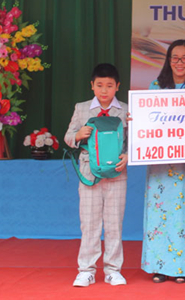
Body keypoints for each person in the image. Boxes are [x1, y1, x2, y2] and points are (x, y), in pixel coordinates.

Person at [140, 39, 185, 284]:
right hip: (159, 166)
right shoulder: (155, 88)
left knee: (184, 215)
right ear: (168, 60)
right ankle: (159, 266)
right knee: (159, 213)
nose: (180, 63)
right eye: (175, 57)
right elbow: (147, 124)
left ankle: (183, 268)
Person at [64, 63, 129, 287]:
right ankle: (86, 270)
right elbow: (68, 137)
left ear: (117, 87)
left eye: (109, 85)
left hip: (117, 172)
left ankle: (113, 269)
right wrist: (78, 135)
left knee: (114, 223)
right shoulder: (81, 109)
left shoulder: (126, 110)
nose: (104, 90)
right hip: (89, 170)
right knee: (89, 222)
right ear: (92, 86)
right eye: (99, 85)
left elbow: (136, 140)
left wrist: (128, 156)